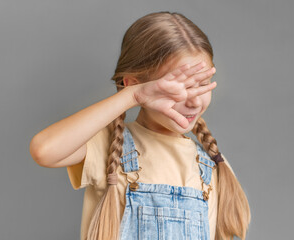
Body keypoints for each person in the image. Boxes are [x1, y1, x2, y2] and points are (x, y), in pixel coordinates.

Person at [30, 11, 251, 240]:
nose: (194, 100)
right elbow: (44, 150)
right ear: (135, 84)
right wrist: (132, 96)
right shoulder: (109, 147)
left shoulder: (213, 166)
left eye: (202, 85)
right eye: (180, 87)